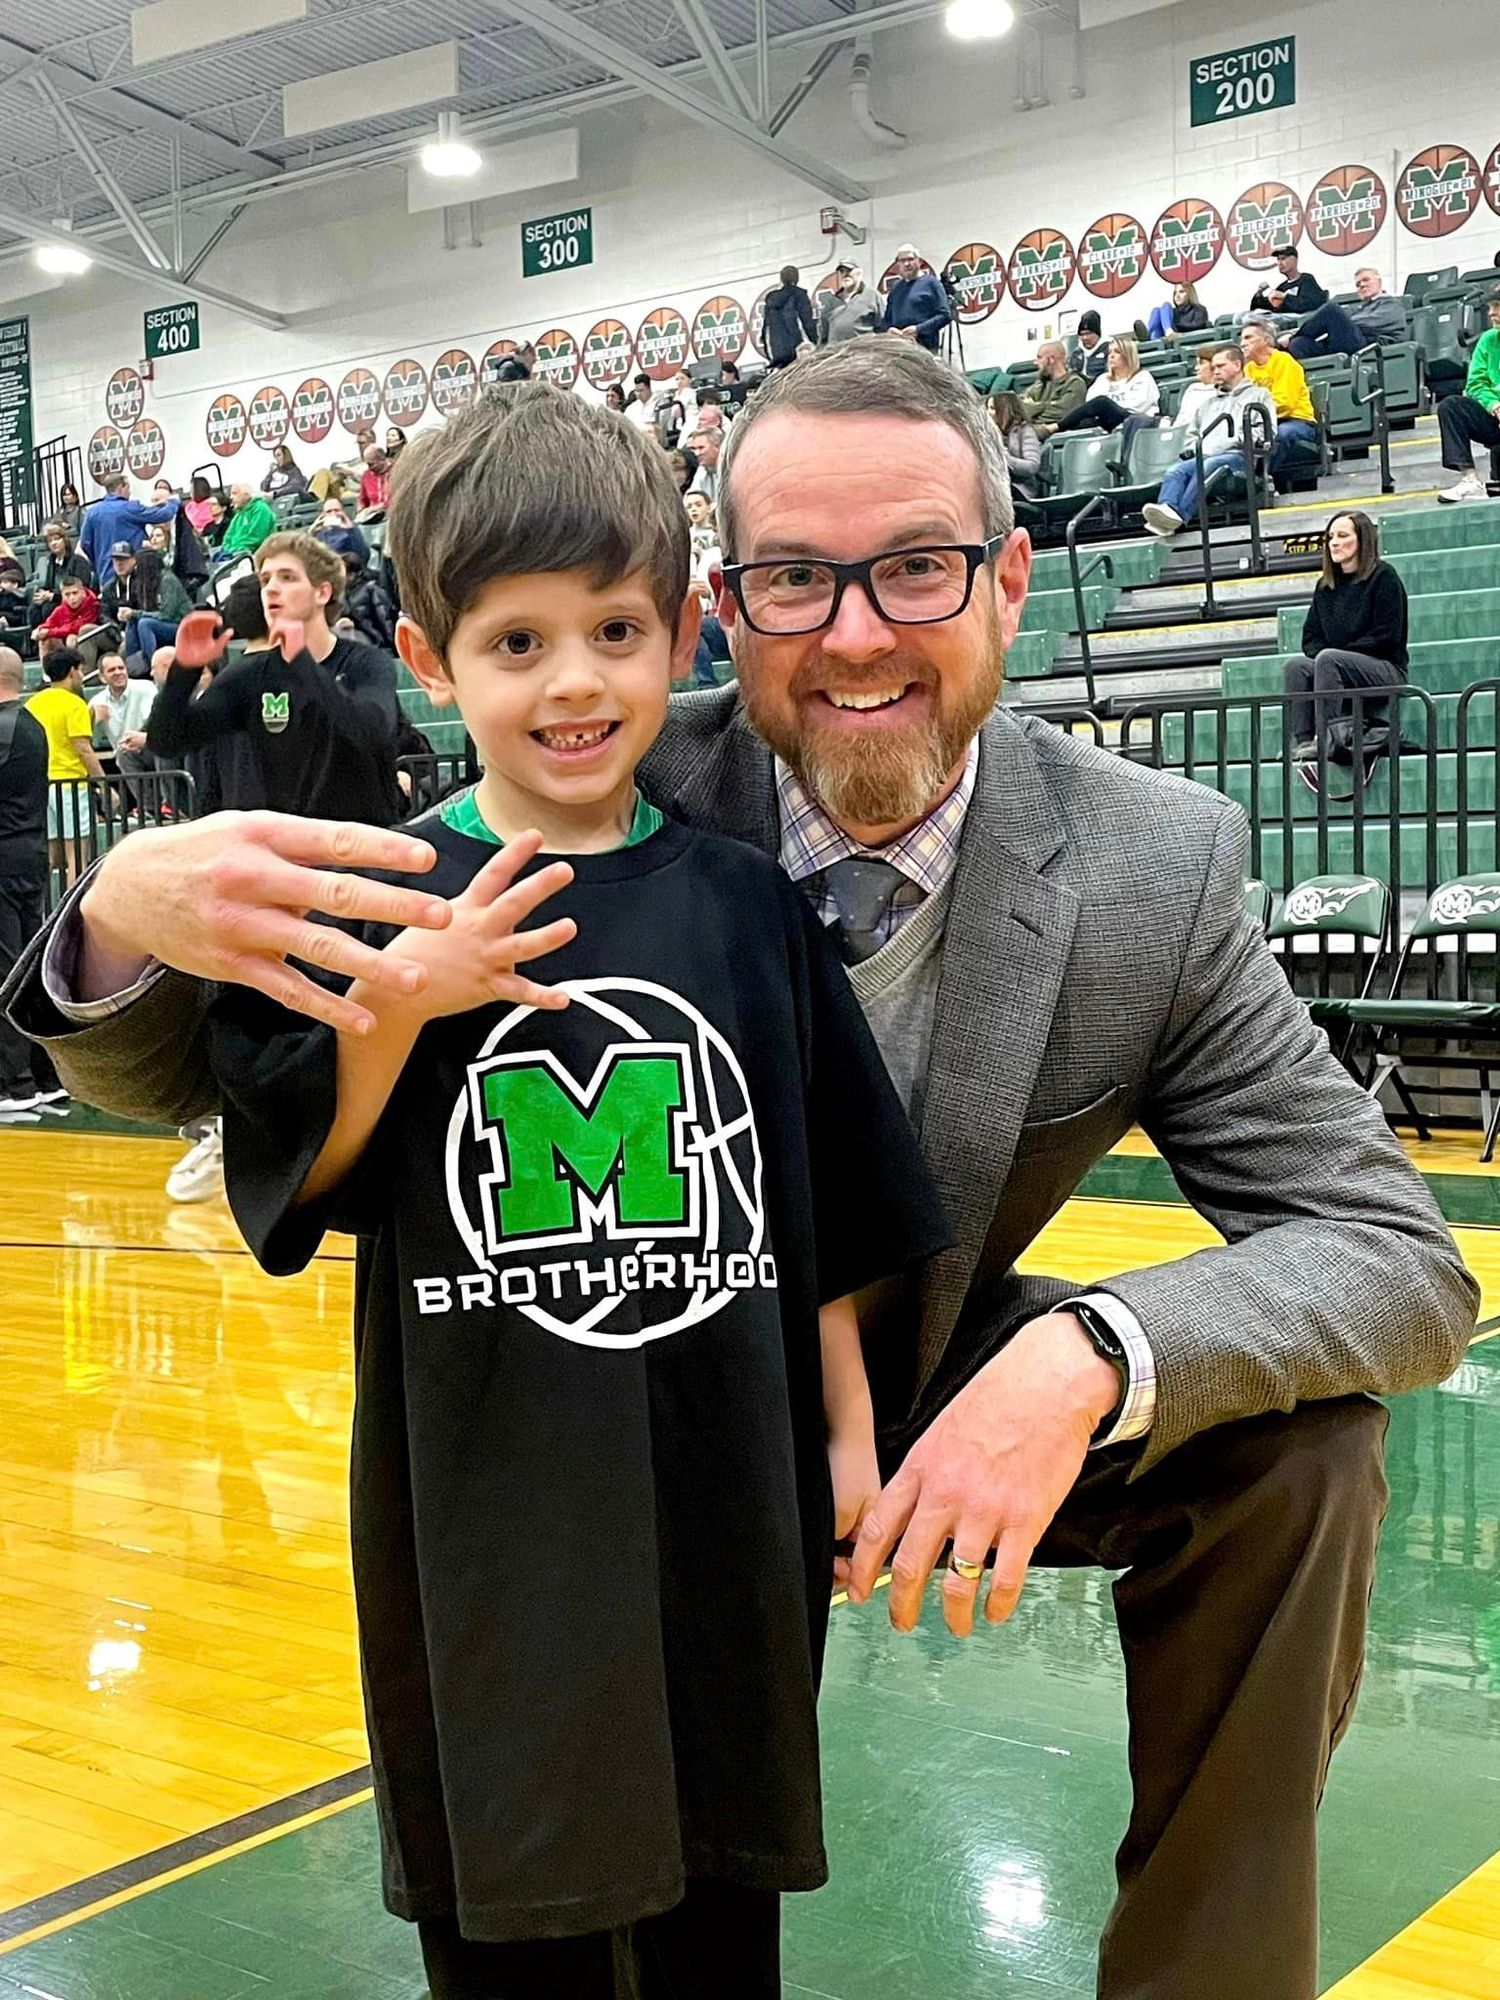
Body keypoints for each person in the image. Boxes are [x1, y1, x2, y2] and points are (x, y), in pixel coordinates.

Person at [3, 339, 1479, 2000]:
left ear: (1008, 580)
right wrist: (118, 913)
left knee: (1304, 1451)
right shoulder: (587, 758)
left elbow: (1394, 1254)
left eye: (915, 567)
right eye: (796, 578)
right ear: (724, 607)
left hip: (897, 1375)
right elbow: (192, 1074)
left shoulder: (1156, 863)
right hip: (605, 1409)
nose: (855, 633)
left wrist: (1090, 1354)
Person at [195, 383, 949, 1996]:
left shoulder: (746, 906)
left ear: (682, 630)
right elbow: (308, 1183)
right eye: (517, 643)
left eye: (615, 630)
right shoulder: (379, 901)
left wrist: (846, 1433)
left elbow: (816, 1205)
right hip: (489, 1519)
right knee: (511, 1912)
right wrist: (407, 997)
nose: (575, 682)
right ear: (430, 660)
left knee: (718, 1913)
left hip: (722, 1501)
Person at [146, 530, 398, 826]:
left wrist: (301, 662)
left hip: (364, 841)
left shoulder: (367, 662)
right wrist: (184, 671)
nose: (272, 589)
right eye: (266, 580)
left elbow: (371, 733)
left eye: (287, 577)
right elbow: (167, 741)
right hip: (291, 847)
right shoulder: (251, 674)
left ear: (322, 593)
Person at [1281, 511, 1409, 786]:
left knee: (1329, 658)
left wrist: (1340, 655)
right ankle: (1304, 741)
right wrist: (1334, 656)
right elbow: (1310, 638)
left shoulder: (1384, 577)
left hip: (1385, 668)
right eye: (1330, 537)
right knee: (1296, 666)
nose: (1334, 543)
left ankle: (1327, 739)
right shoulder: (1325, 586)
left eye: (1342, 536)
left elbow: (1386, 636)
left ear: (1362, 540)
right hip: (1338, 666)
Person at [0, 647, 64, 1113]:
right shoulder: (33, 723)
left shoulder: (3, 727)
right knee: (28, 966)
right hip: (30, 853)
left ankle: (13, 1084)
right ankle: (45, 1075)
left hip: (4, 859)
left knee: (5, 969)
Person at [1142, 343, 1277, 536]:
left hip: (1239, 456)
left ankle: (1180, 516)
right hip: (1204, 456)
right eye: (1213, 367)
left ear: (1237, 365)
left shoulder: (1259, 395)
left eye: (1220, 366)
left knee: (1208, 466)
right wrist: (1192, 448)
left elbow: (1267, 431)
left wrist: (1236, 439)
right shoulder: (1208, 404)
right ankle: (1167, 509)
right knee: (1175, 470)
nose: (1215, 371)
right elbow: (1191, 435)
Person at [25, 647, 105, 882]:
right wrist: (103, 784)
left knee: (52, 856)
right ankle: (74, 905)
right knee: (76, 856)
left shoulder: (33, 703)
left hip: (43, 785)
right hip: (71, 785)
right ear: (72, 671)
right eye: (81, 671)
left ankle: (43, 904)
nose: (82, 676)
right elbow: (82, 748)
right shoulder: (75, 704)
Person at [1435, 287, 1500, 505]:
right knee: (1451, 406)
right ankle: (1470, 480)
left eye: (1497, 306)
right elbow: (1475, 384)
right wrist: (1495, 406)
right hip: (1495, 417)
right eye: (1490, 307)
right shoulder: (1488, 340)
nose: (1491, 313)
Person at [1239, 319, 1318, 490]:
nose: (1242, 343)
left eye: (1248, 338)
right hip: (1264, 422)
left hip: (1298, 422)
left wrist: (1255, 414)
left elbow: (1285, 403)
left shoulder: (1285, 361)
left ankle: (1259, 480)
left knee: (1280, 434)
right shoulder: (1248, 369)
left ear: (1266, 340)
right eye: (1242, 339)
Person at [1281, 266, 1407, 360]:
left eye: (1366, 280)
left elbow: (1370, 324)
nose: (1362, 285)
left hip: (1369, 347)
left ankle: (1287, 340)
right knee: (1298, 344)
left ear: (1379, 281)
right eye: (1358, 284)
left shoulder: (1391, 303)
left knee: (1332, 310)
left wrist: (1339, 324)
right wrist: (1338, 325)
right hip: (1341, 345)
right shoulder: (1358, 308)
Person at [79, 472, 180, 585]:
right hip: (134, 573)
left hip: (105, 574)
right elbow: (163, 515)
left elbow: (85, 543)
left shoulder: (91, 513)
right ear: (121, 488)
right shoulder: (130, 508)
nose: (130, 492)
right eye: (128, 488)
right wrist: (174, 501)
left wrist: (99, 563)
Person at [1051, 334, 1160, 439]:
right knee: (1086, 423)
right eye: (1109, 352)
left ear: (1128, 355)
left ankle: (1056, 427)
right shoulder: (1103, 379)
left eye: (1117, 352)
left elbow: (1138, 406)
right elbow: (1090, 404)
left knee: (1102, 403)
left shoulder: (1142, 377)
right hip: (1108, 421)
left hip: (1135, 420)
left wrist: (1110, 407)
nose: (1111, 356)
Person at [89, 650, 158, 814]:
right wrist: (93, 719)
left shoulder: (145, 688)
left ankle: (167, 804)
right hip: (126, 753)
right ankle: (149, 808)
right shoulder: (97, 702)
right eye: (111, 670)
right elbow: (90, 741)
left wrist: (139, 738)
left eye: (121, 668)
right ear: (102, 677)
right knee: (123, 754)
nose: (118, 672)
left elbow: (154, 722)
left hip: (151, 744)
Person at [103, 543, 192, 666]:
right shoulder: (149, 582)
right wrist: (131, 615)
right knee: (133, 621)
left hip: (183, 625)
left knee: (145, 623)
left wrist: (135, 613)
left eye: (139, 567)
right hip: (165, 624)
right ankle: (131, 665)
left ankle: (151, 663)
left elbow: (167, 615)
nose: (136, 570)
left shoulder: (167, 580)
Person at [881, 244, 949, 354]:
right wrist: (889, 330)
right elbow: (886, 321)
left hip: (925, 350)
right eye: (902, 260)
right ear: (898, 264)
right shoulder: (896, 288)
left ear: (919, 261)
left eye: (910, 259)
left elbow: (944, 315)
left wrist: (918, 329)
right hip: (899, 350)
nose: (907, 264)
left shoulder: (931, 283)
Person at [29, 522, 94, 630]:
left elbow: (81, 590)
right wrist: (42, 595)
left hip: (73, 601)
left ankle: (50, 635)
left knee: (49, 608)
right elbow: (49, 586)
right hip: (56, 598)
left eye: (57, 539)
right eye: (50, 541)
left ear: (64, 540)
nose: (54, 543)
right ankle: (37, 637)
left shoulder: (78, 561)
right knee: (33, 609)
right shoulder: (52, 562)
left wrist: (53, 596)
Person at [1018, 341, 1086, 439]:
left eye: (1039, 357)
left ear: (1052, 359)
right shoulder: (1040, 384)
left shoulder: (1075, 383)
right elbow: (1019, 407)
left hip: (1058, 435)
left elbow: (1064, 414)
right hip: (1034, 432)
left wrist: (1033, 409)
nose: (1035, 362)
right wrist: (1044, 408)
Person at [336, 549, 396, 653]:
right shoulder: (346, 592)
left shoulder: (371, 589)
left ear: (352, 573)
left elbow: (384, 618)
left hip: (376, 643)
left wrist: (391, 644)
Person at [35, 574, 104, 665]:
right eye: (67, 594)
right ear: (62, 596)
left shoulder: (93, 605)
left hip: (88, 640)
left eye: (75, 593)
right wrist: (39, 630)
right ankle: (47, 671)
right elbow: (49, 624)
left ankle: (79, 668)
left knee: (71, 638)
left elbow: (76, 628)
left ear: (83, 592)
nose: (72, 598)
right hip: (65, 643)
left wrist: (50, 632)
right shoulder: (61, 609)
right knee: (45, 640)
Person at [989, 390, 1042, 499]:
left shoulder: (1025, 431)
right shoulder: (989, 433)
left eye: (992, 408)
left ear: (1004, 410)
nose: (987, 413)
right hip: (997, 484)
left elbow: (1032, 466)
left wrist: (1003, 457)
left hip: (1020, 488)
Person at [763, 264, 818, 369]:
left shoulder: (771, 300)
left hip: (778, 355)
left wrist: (770, 355)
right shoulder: (799, 294)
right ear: (797, 279)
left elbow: (765, 329)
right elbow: (807, 323)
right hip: (799, 350)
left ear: (782, 279)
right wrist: (816, 342)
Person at [1250, 245, 1328, 316]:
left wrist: (1284, 296)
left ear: (1294, 260)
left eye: (1283, 258)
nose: (1279, 263)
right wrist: (1259, 293)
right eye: (1278, 259)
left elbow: (1308, 304)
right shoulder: (1282, 287)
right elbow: (1260, 307)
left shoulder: (1306, 279)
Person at [819, 263, 882, 344]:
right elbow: (824, 334)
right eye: (842, 271)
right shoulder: (831, 301)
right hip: (837, 350)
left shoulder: (872, 295)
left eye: (849, 270)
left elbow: (882, 326)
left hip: (864, 349)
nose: (845, 274)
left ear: (859, 273)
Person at [220, 482, 278, 557]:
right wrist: (228, 551)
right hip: (237, 555)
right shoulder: (238, 515)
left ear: (246, 494)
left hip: (259, 556)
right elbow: (227, 539)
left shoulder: (261, 509)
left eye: (234, 493)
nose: (231, 497)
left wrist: (233, 551)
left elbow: (255, 539)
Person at [1142, 281, 1209, 343]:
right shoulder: (1173, 312)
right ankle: (1147, 336)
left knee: (1166, 305)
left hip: (1184, 338)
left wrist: (1179, 331)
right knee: (1156, 310)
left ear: (1190, 293)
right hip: (1166, 336)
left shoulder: (1199, 309)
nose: (1177, 296)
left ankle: (1164, 332)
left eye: (1181, 292)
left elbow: (1198, 326)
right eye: (1175, 293)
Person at [314, 497, 370, 566]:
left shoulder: (352, 530)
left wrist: (350, 530)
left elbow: (364, 556)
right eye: (329, 511)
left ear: (343, 512)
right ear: (323, 515)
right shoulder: (319, 534)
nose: (333, 514)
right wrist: (312, 532)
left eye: (337, 510)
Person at [1067, 310, 1110, 385]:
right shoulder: (1076, 354)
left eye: (1089, 333)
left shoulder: (1109, 350)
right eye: (1082, 334)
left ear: (1097, 334)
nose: (1085, 338)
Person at [686, 425, 721, 504]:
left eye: (701, 448)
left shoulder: (733, 469)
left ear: (717, 446)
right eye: (694, 449)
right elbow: (693, 498)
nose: (697, 453)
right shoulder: (701, 469)